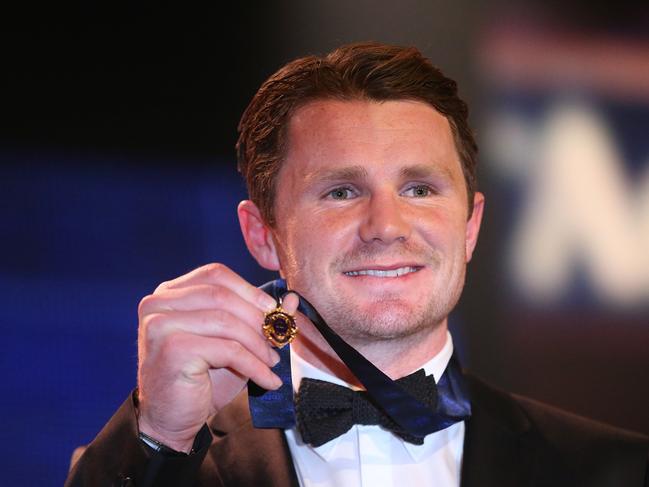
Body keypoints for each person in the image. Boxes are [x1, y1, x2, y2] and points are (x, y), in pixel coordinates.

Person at [65, 42, 648, 487]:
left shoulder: (617, 468)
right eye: (341, 192)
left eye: (419, 189)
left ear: (470, 227)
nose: (387, 226)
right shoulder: (152, 465)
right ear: (262, 235)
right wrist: (162, 436)